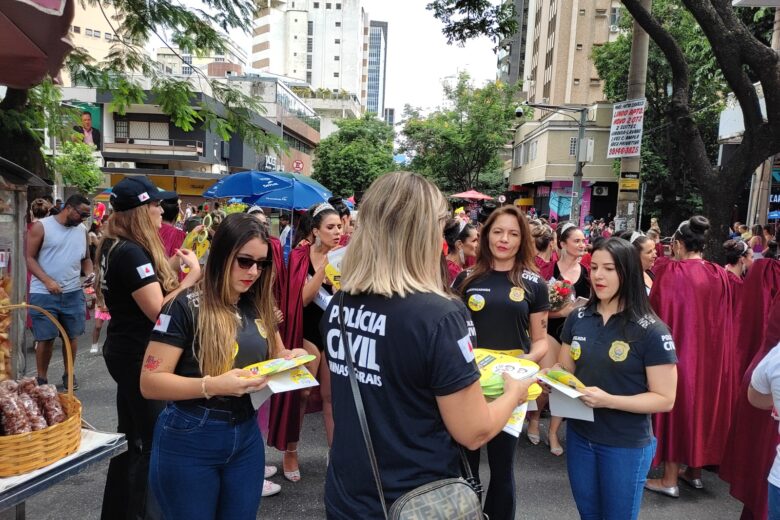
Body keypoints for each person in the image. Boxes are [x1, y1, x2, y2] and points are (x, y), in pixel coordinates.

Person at [321, 171, 534, 518]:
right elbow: (474, 431)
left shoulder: (341, 304)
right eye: (440, 227)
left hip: (348, 496)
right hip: (417, 502)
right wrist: (515, 392)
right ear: (421, 233)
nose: (443, 237)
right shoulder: (439, 316)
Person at [140, 213, 306, 518]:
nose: (254, 271)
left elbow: (278, 352)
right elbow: (150, 381)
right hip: (190, 434)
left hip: (245, 432)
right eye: (245, 261)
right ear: (222, 255)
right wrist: (213, 384)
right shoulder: (184, 306)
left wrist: (290, 360)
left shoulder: (258, 303)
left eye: (262, 263)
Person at [95, 176, 200, 520]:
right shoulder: (130, 252)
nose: (161, 209)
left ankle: (119, 511)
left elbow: (140, 284)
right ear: (139, 211)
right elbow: (158, 310)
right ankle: (143, 513)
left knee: (131, 438)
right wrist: (191, 278)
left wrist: (170, 266)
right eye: (154, 204)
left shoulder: (116, 246)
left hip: (124, 349)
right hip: (138, 355)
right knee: (150, 443)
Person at [554, 237, 678, 520]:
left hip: (625, 444)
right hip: (580, 437)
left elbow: (665, 398)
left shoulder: (652, 330)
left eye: (609, 268)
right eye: (594, 267)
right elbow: (565, 369)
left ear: (627, 272)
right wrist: (551, 378)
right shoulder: (579, 317)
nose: (598, 275)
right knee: (589, 514)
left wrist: (608, 401)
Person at [454, 205, 549, 520]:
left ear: (522, 238)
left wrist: (522, 364)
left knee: (502, 464)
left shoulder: (534, 284)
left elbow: (540, 342)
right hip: (468, 383)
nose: (504, 239)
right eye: (497, 231)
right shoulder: (465, 279)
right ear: (485, 235)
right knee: (465, 461)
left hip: (511, 385)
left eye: (512, 233)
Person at [645, 216, 736, 497]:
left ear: (679, 244)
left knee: (676, 411)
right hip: (711, 356)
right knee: (702, 408)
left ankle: (669, 478)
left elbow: (656, 312)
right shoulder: (719, 273)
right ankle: (694, 472)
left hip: (680, 352)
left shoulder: (673, 272)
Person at [268, 202, 342, 481]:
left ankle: (336, 453)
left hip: (333, 333)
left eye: (339, 226)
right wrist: (325, 268)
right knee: (300, 394)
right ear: (315, 231)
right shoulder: (300, 255)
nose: (337, 232)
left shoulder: (347, 255)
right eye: (330, 227)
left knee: (331, 398)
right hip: (306, 331)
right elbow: (300, 300)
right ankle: (291, 450)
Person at [26, 194, 93, 390]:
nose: (83, 219)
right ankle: (42, 379)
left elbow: (86, 258)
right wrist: (47, 281)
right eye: (82, 214)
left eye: (86, 216)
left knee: (71, 336)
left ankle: (69, 375)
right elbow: (29, 258)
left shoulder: (81, 230)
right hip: (44, 293)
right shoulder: (42, 227)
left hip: (72, 292)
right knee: (45, 338)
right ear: (69, 208)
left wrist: (90, 273)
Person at [543, 222, 590, 455]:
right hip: (549, 331)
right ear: (562, 244)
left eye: (584, 240)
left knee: (564, 380)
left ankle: (553, 432)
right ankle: (534, 421)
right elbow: (537, 309)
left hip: (575, 334)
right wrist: (560, 312)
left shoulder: (588, 271)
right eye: (577, 241)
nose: (583, 244)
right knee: (546, 382)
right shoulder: (548, 270)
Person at [443, 218, 478, 284]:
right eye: (474, 241)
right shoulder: (451, 271)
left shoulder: (464, 262)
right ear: (459, 245)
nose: (478, 244)